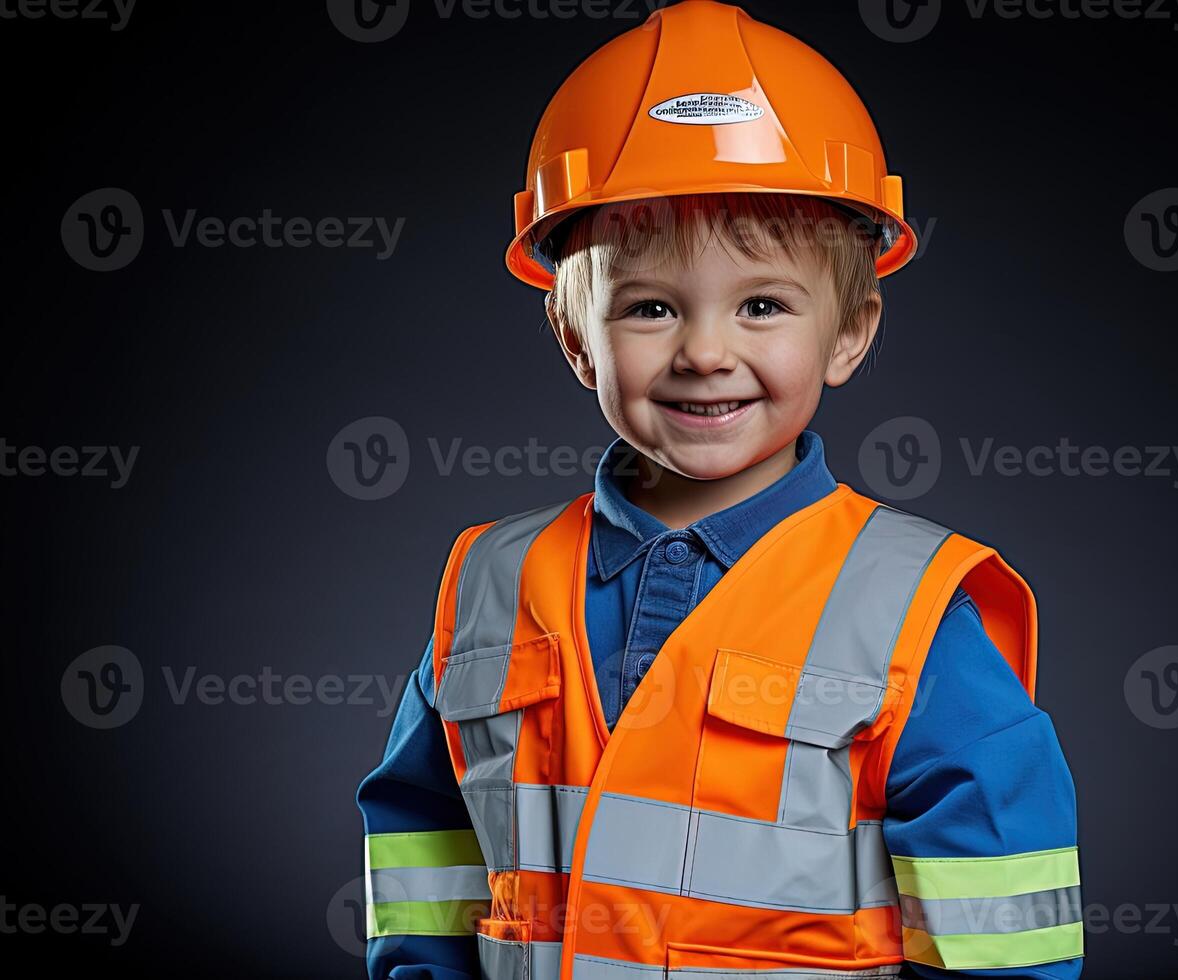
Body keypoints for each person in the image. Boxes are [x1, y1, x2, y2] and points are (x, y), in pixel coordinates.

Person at [357, 3, 1082, 979]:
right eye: (651, 306)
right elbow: (424, 846)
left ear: (851, 330)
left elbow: (1002, 929)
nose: (705, 351)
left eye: (762, 304)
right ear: (577, 339)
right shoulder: (490, 582)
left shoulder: (909, 609)